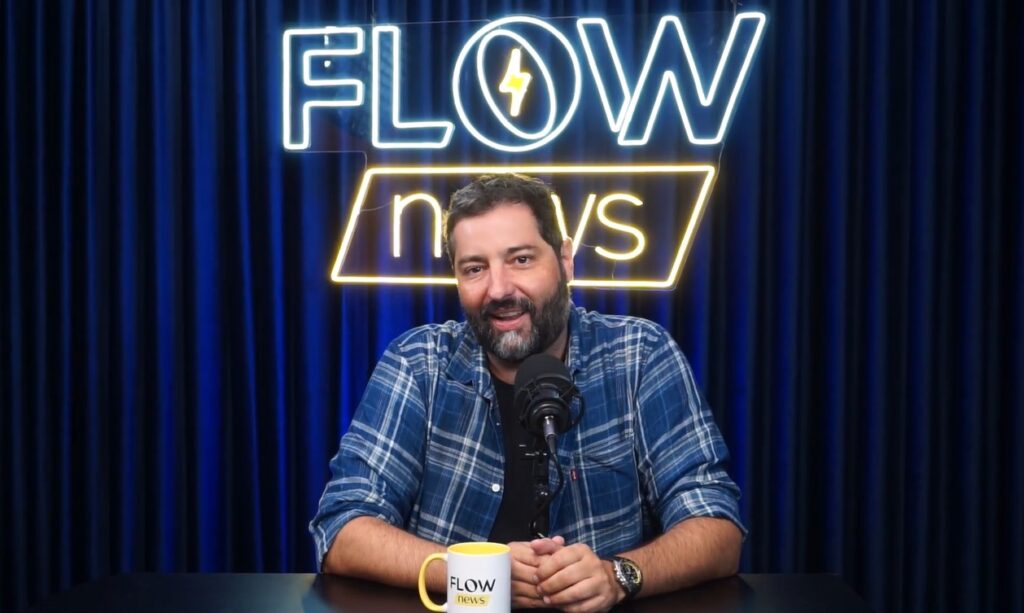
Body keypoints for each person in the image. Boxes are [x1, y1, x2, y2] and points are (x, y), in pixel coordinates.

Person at [310, 174, 745, 611]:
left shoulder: (639, 355)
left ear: (565, 261)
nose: (499, 289)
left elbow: (717, 528)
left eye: (520, 259)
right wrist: (475, 573)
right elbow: (342, 529)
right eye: (475, 268)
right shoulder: (418, 362)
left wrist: (618, 575)